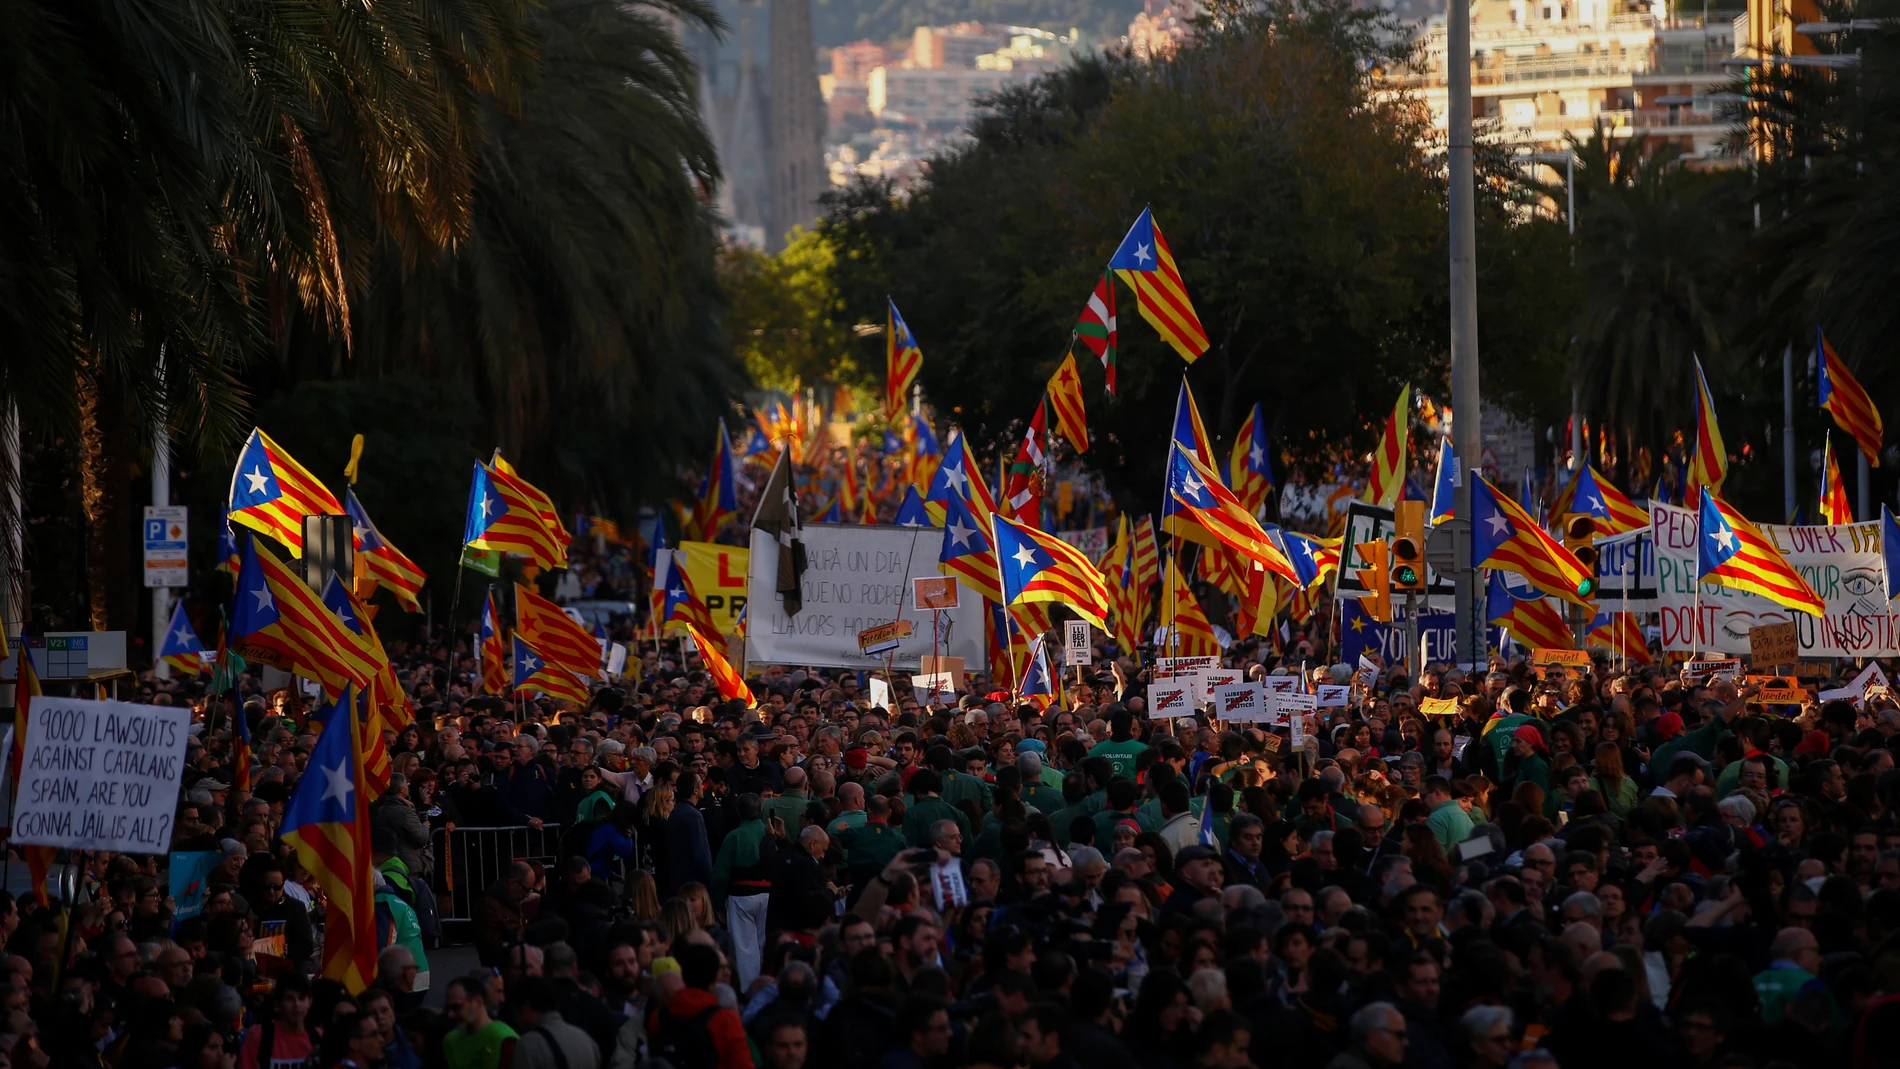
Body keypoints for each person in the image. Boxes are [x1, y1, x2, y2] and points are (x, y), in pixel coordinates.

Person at [441, 974, 519, 1069]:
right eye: (448, 1008)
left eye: (456, 1007)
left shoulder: (504, 1039)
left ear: (478, 1001)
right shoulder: (450, 1041)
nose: (450, 1014)